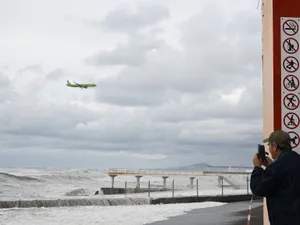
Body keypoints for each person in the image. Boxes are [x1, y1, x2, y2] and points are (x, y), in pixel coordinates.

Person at [250, 130, 300, 225]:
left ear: (275, 146)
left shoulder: (277, 167)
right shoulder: (296, 160)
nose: (268, 148)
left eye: (269, 145)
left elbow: (258, 188)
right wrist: (271, 166)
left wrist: (257, 167)